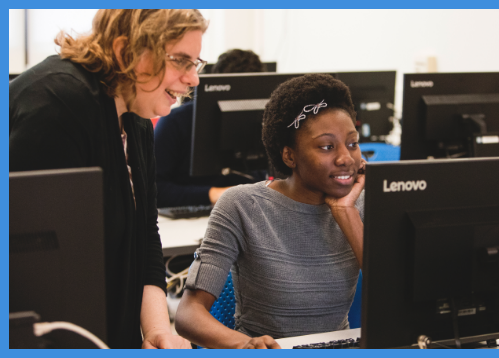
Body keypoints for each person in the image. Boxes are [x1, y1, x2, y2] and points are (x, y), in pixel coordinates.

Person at [9, 9, 208, 349]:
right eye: (180, 61)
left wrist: (159, 330)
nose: (194, 79)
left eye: (196, 63)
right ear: (125, 51)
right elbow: (38, 259)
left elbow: (145, 232)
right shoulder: (57, 103)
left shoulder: (135, 112)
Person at [175, 74, 366, 348]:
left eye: (352, 143)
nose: (346, 158)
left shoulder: (359, 202)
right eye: (327, 146)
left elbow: (395, 299)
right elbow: (188, 314)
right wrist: (244, 345)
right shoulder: (242, 205)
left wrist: (347, 214)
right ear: (289, 156)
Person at [154, 49, 265, 208]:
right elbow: (155, 189)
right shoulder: (175, 122)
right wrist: (215, 194)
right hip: (187, 218)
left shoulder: (264, 122)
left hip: (246, 212)